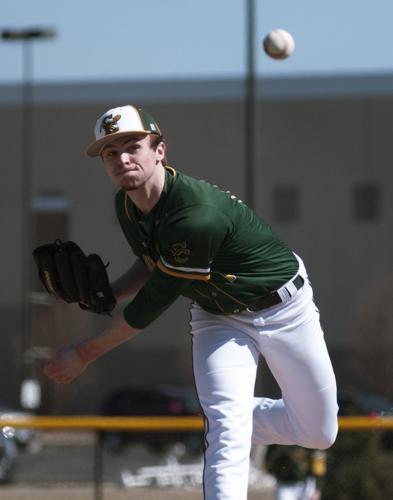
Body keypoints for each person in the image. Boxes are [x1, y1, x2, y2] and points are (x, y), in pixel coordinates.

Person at [44, 104, 339, 500]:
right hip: (218, 317)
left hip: (285, 309)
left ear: (160, 150)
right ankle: (227, 419)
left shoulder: (196, 214)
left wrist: (84, 352)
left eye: (132, 145)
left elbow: (152, 303)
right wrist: (112, 292)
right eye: (110, 153)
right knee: (227, 437)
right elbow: (153, 265)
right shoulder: (128, 205)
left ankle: (232, 416)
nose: (122, 158)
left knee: (319, 433)